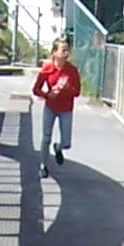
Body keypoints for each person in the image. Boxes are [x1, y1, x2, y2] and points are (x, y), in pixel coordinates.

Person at [31, 36, 82, 165]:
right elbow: (36, 89)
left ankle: (58, 148)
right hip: (50, 107)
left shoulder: (72, 70)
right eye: (63, 50)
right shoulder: (47, 69)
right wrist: (48, 95)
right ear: (55, 52)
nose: (66, 54)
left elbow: (77, 92)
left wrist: (67, 88)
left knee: (67, 142)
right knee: (46, 137)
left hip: (66, 109)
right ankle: (43, 165)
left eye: (67, 50)